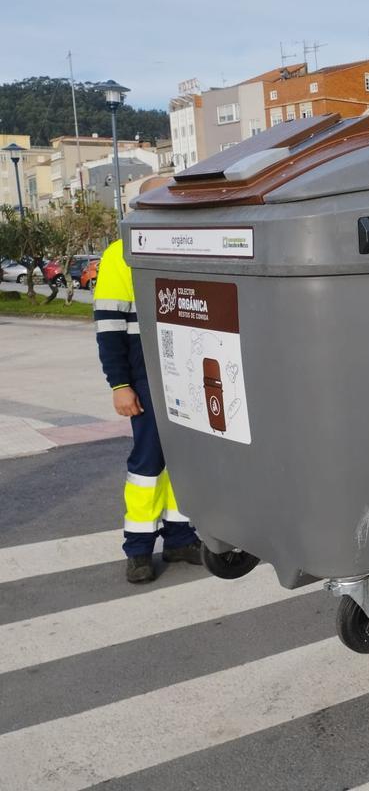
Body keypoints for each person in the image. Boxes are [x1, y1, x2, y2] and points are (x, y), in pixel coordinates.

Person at [94, 238, 202, 583]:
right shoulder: (119, 253)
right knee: (148, 464)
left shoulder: (182, 245)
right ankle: (139, 549)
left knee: (185, 459)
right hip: (146, 376)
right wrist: (119, 385)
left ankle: (180, 538)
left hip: (185, 369)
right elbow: (108, 325)